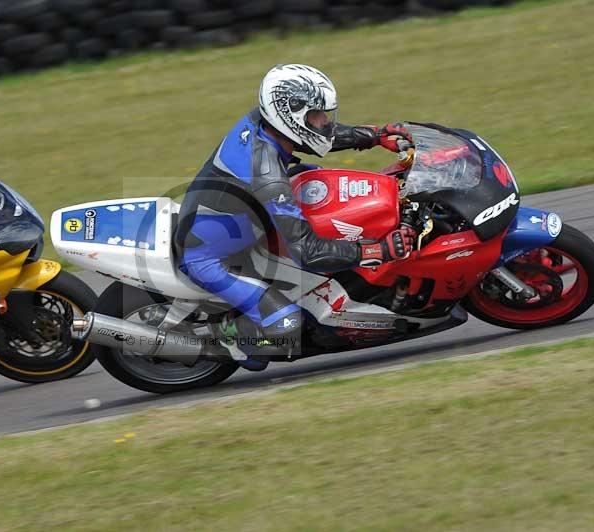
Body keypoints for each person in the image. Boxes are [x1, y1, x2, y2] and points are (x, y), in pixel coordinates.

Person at [176, 64, 416, 370]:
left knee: (322, 183)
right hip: (208, 258)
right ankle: (224, 337)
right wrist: (377, 250)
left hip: (237, 219)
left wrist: (374, 135)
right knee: (286, 329)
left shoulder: (268, 121)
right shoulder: (268, 174)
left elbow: (315, 135)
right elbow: (307, 251)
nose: (325, 122)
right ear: (290, 116)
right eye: (317, 115)